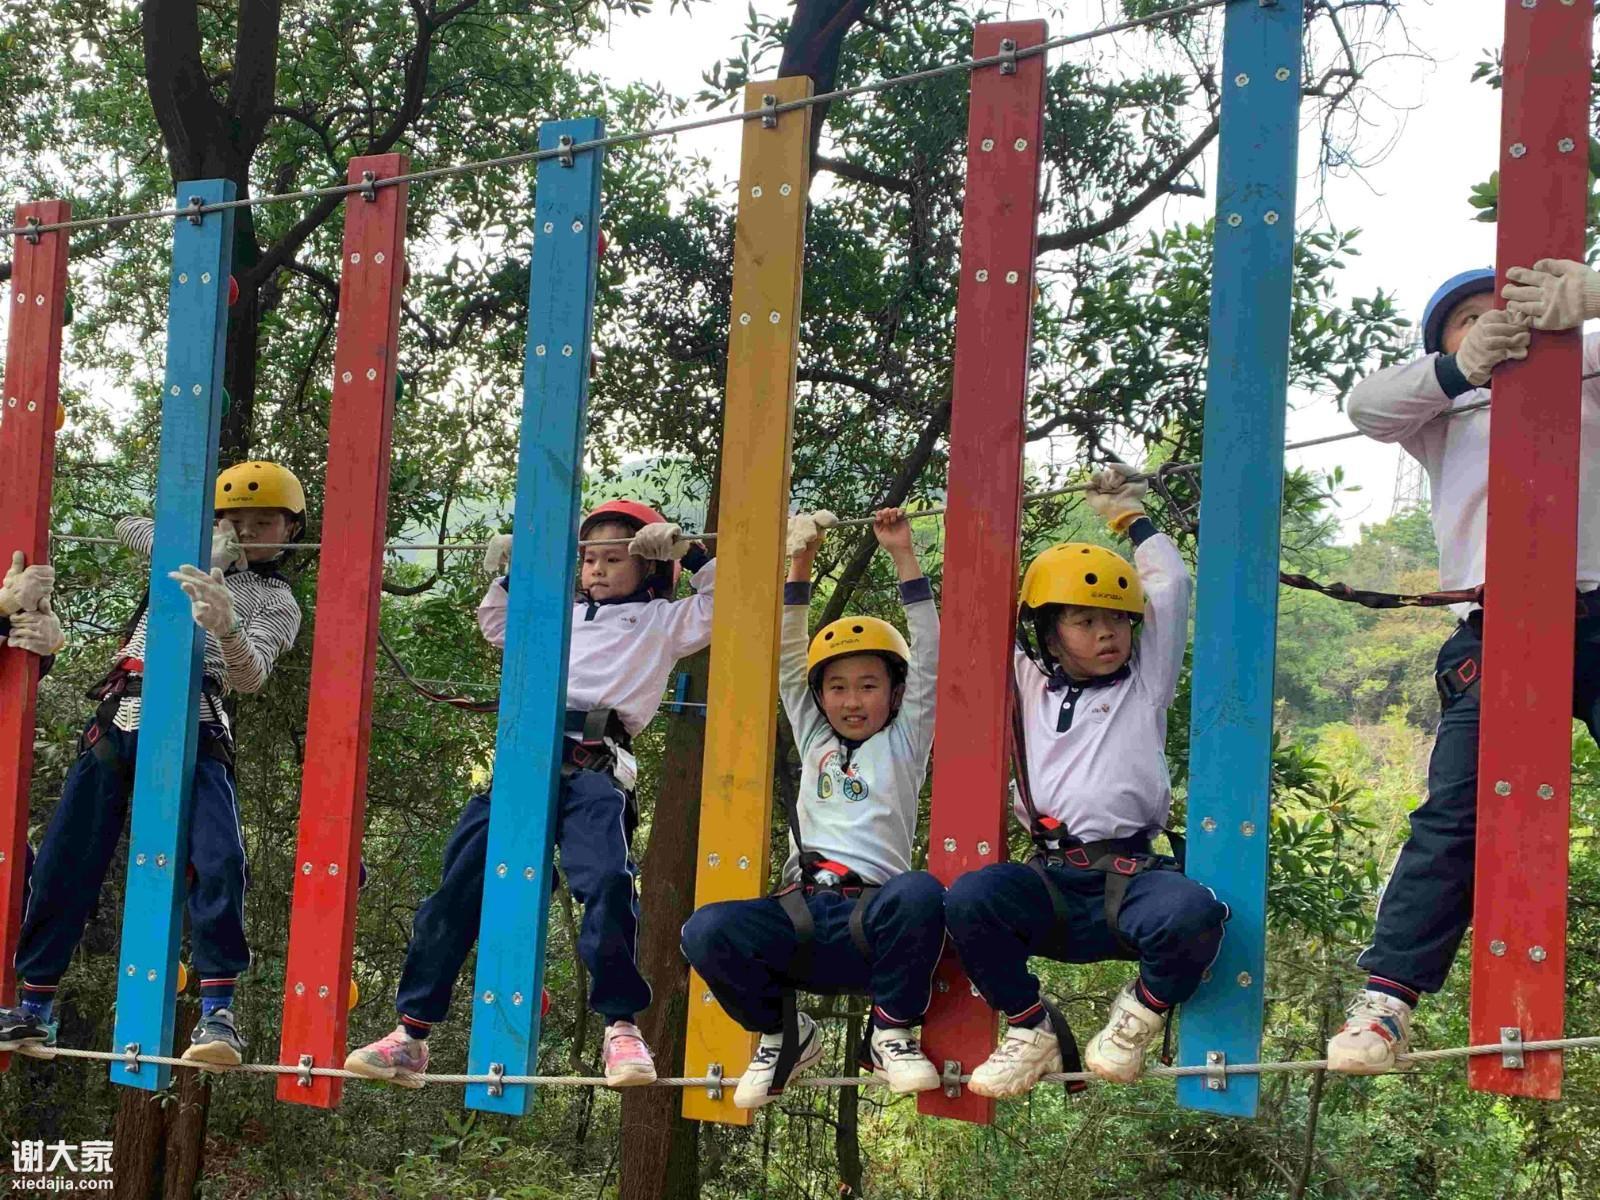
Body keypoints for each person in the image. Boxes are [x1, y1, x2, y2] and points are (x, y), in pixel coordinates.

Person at [1327, 260, 1599, 1073]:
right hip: (1496, 627)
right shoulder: (1444, 407)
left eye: (1508, 309)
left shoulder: (1583, 367)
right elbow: (1365, 405)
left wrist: (1588, 303)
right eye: (1468, 318)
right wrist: (1462, 367)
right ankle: (1387, 1000)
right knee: (1455, 815)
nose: (1494, 324)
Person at [345, 500, 715, 1088]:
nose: (597, 569)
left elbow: (726, 605)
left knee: (608, 882)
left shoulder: (662, 621)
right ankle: (411, 1034)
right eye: (589, 559)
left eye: (616, 558)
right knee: (456, 890)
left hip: (594, 767)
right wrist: (515, 572)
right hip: (523, 765)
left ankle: (621, 1025)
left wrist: (690, 554)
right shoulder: (556, 614)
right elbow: (497, 625)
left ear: (648, 567)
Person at [0, 461, 306, 1067]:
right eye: (234, 520)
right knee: (65, 857)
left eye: (263, 522)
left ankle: (218, 1012)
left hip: (198, 719)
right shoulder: (178, 555)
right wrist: (198, 548)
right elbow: (126, 525)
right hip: (122, 715)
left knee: (219, 859)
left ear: (291, 530)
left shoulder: (277, 599)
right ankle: (34, 1005)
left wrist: (227, 623)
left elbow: (250, 676)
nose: (246, 532)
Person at [944, 466, 1225, 1096]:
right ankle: (1030, 1028)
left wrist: (1130, 517)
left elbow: (1172, 588)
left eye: (1118, 621)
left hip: (1130, 881)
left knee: (1195, 913)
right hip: (1051, 882)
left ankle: (1137, 1018)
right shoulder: (1026, 682)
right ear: (1049, 633)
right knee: (970, 899)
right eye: (1084, 621)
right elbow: (975, 617)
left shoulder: (1144, 682)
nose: (1107, 634)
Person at [680, 508, 943, 1109]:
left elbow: (929, 654)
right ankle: (784, 1034)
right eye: (838, 687)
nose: (852, 701)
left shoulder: (906, 740)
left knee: (922, 893)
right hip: (801, 915)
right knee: (706, 930)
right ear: (820, 696)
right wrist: (799, 562)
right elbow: (789, 664)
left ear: (895, 693)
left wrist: (903, 554)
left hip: (872, 919)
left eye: (868, 685)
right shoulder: (816, 737)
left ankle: (891, 1031)